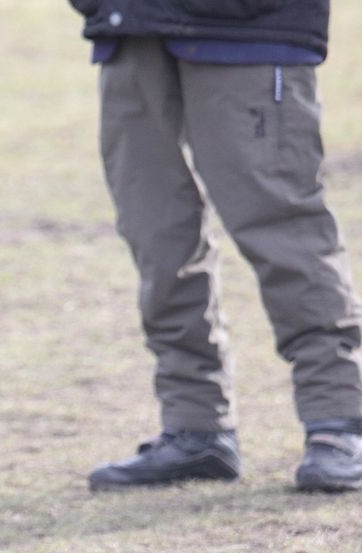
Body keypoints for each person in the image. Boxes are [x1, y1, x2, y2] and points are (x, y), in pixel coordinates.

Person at [68, 1, 362, 493]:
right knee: (158, 240)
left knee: (284, 234)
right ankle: (196, 426)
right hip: (132, 31)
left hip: (249, 30)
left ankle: (339, 419)